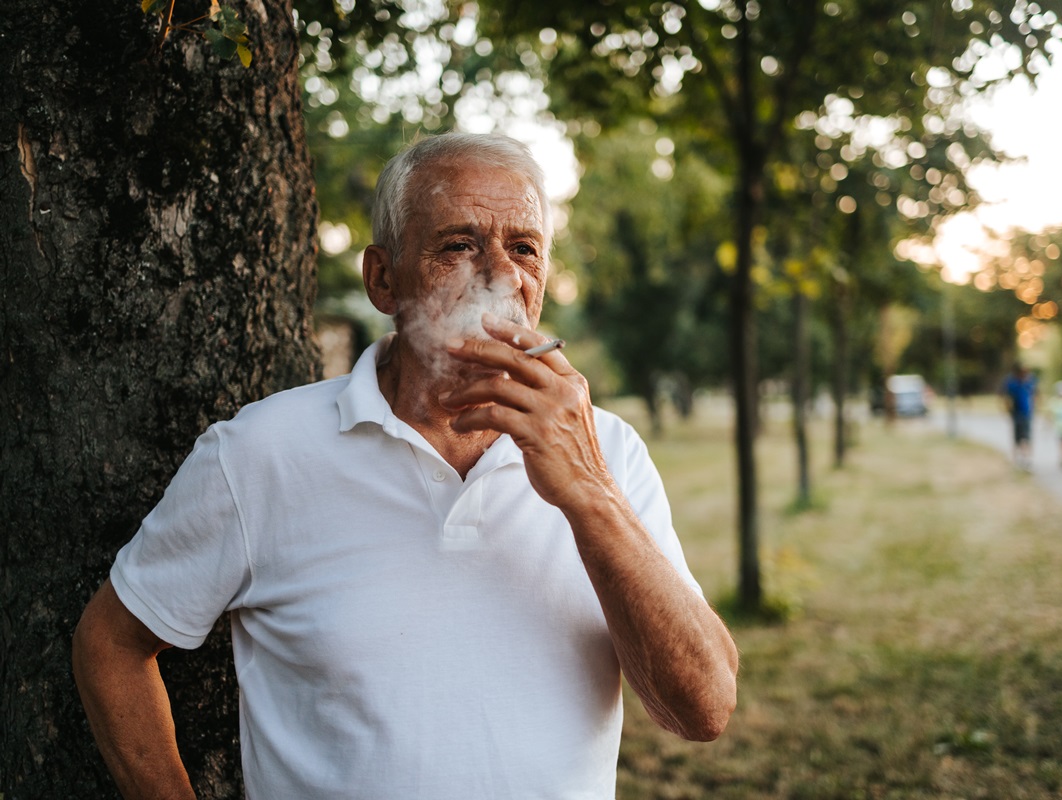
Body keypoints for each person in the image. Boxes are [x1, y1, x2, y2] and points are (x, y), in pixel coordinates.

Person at [72, 133, 738, 799]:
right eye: (459, 244)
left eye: (525, 249)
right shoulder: (260, 452)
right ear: (382, 278)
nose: (502, 275)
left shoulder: (609, 452)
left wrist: (588, 493)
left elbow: (702, 710)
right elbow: (110, 645)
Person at [1002, 362, 1037, 471]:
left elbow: (1035, 394)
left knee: (1026, 437)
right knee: (1017, 438)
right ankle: (1016, 460)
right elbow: (1006, 397)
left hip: (1027, 413)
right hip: (1016, 414)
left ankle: (1026, 459)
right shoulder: (1012, 382)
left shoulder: (1030, 381)